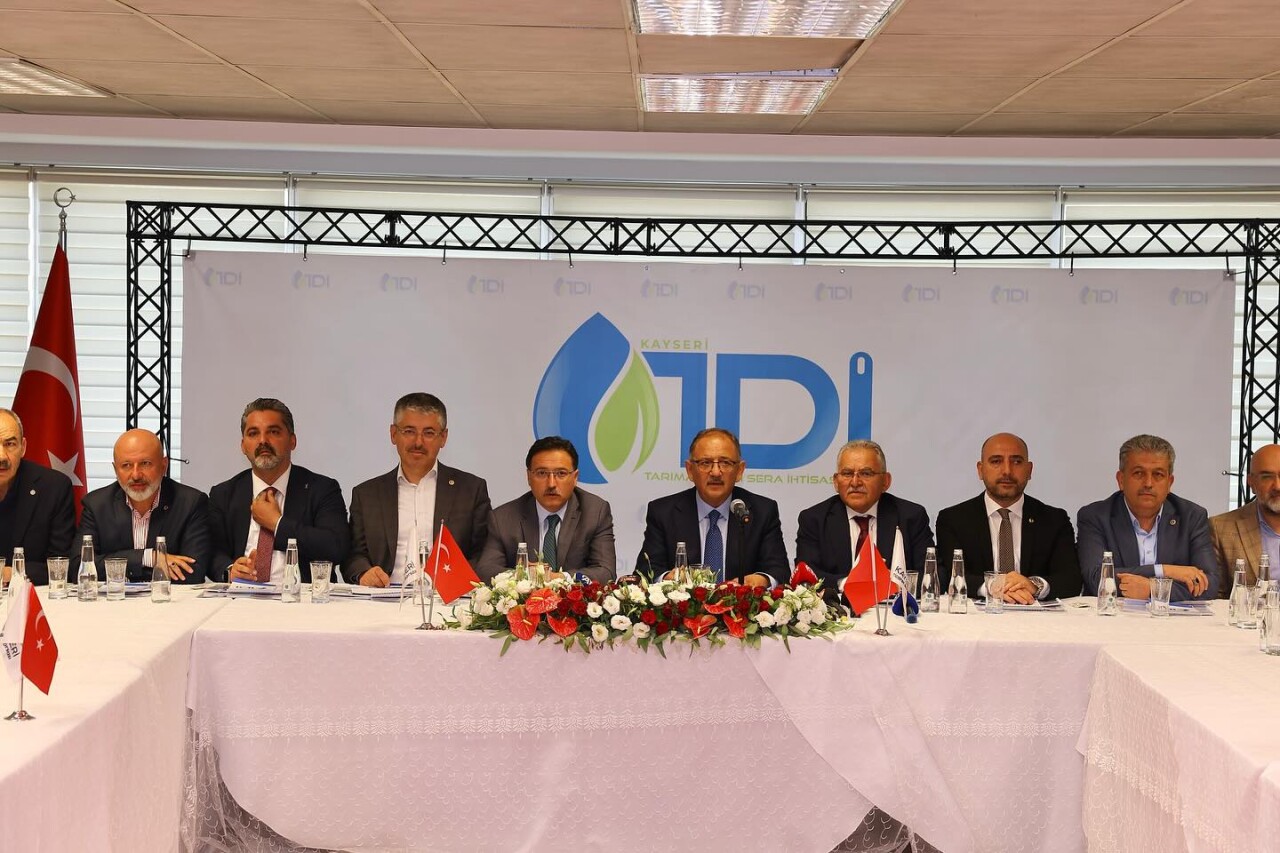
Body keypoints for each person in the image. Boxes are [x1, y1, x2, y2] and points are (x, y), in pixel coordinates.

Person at [344, 393, 490, 586]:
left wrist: (452, 583)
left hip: (447, 598)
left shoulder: (471, 490)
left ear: (443, 437)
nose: (418, 442)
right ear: (393, 434)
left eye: (429, 433)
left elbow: (485, 553)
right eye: (409, 431)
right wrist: (363, 573)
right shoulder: (366, 494)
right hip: (383, 597)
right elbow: (353, 553)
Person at [208, 398, 349, 583]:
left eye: (273, 432)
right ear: (243, 446)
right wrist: (229, 570)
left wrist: (277, 524)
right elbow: (211, 551)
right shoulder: (224, 494)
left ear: (292, 441)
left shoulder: (321, 489)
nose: (263, 441)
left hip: (301, 597)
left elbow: (336, 548)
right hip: (242, 596)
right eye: (253, 433)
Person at [935, 433, 1080, 603]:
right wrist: (994, 586)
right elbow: (950, 575)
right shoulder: (953, 519)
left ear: (1029, 470)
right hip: (980, 615)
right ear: (980, 470)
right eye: (996, 461)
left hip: (1036, 614)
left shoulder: (1054, 520)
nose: (1007, 471)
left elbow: (1071, 578)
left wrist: (1034, 585)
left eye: (1016, 462)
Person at [636, 427, 787, 585]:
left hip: (741, 601)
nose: (715, 472)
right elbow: (646, 571)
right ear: (690, 470)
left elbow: (779, 571)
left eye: (725, 463)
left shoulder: (763, 511)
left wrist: (761, 580)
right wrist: (668, 578)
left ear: (739, 471)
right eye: (705, 463)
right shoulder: (663, 512)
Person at [1078, 434, 1216, 601]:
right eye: (1138, 473)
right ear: (1121, 480)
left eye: (1158, 474)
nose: (1148, 483)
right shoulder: (1095, 516)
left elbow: (1208, 584)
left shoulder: (1192, 517)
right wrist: (1165, 570)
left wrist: (1153, 589)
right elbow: (1096, 579)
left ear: (1169, 482)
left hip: (1171, 617)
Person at [796, 439, 933, 597]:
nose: (855, 482)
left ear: (885, 481)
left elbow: (932, 575)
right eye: (847, 473)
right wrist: (846, 583)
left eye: (866, 473)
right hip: (838, 608)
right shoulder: (814, 519)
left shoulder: (910, 516)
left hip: (892, 608)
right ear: (836, 482)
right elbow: (806, 576)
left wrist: (891, 585)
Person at [77, 428, 211, 583]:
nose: (136, 475)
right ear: (115, 469)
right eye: (126, 465)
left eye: (145, 464)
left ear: (164, 465)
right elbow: (79, 568)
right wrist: (149, 558)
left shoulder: (191, 503)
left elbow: (193, 572)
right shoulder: (96, 505)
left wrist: (124, 567)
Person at [476, 436, 615, 583]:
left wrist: (559, 578)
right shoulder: (503, 518)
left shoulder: (595, 512)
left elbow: (606, 571)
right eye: (542, 473)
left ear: (575, 478)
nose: (551, 484)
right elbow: (486, 570)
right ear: (529, 477)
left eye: (561, 473)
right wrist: (524, 575)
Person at [0, 408, 75, 585]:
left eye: (10, 444)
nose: (2, 456)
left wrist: (9, 573)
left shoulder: (54, 488)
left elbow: (61, 565)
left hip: (35, 595)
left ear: (23, 447)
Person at [1209, 442, 1280, 595]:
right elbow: (1214, 597)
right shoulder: (1220, 528)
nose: (1277, 486)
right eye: (1267, 477)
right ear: (1251, 483)